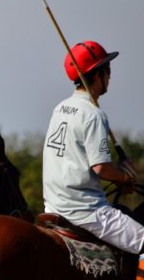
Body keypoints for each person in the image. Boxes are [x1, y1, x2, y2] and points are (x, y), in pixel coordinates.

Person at [42, 41, 143, 264]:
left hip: (53, 206)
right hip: (86, 211)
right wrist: (125, 177)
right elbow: (101, 167)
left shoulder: (60, 108)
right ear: (97, 74)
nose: (110, 76)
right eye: (108, 70)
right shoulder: (94, 114)